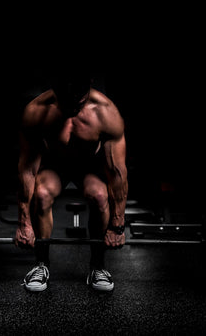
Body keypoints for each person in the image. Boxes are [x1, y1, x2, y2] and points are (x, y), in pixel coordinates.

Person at [15, 67, 128, 292]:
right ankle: (41, 265)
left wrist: (117, 225)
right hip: (55, 165)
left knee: (99, 195)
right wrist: (24, 223)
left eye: (80, 99)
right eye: (67, 100)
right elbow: (27, 170)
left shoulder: (106, 113)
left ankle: (97, 266)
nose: (74, 106)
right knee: (41, 193)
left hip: (90, 166)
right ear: (54, 86)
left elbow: (116, 174)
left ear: (90, 83)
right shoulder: (36, 112)